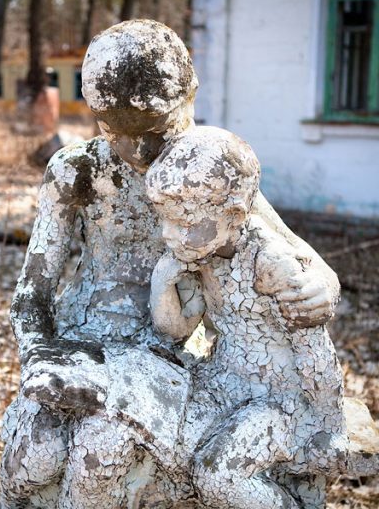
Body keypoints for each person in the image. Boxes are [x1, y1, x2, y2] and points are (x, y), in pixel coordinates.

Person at [0, 20, 340, 509]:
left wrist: (322, 283)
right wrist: (38, 355)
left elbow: (286, 245)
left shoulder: (203, 170)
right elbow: (32, 294)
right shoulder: (76, 170)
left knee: (100, 451)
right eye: (116, 131)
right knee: (33, 457)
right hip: (82, 340)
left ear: (189, 101)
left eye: (155, 132)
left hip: (169, 347)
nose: (139, 152)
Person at [146, 126, 346, 508]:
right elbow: (176, 329)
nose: (169, 235)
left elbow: (316, 353)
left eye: (184, 223)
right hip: (222, 379)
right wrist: (162, 284)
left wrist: (330, 427)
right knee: (161, 437)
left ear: (233, 214)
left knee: (217, 475)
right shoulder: (198, 253)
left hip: (279, 400)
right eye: (164, 220)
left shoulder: (271, 263)